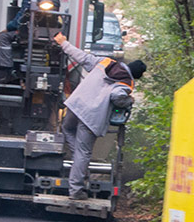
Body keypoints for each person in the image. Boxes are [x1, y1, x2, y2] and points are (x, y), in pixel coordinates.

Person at [53, 32, 145, 200]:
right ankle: (76, 191)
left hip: (76, 105)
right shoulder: (126, 82)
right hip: (91, 116)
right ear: (137, 75)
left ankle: (79, 164)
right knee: (83, 153)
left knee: (67, 130)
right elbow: (117, 97)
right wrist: (128, 100)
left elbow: (81, 57)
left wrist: (64, 43)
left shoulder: (106, 62)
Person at [0, 0, 51, 81]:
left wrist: (8, 28)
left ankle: (9, 71)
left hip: (29, 32)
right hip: (48, 34)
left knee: (3, 37)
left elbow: (22, 17)